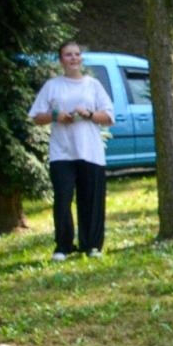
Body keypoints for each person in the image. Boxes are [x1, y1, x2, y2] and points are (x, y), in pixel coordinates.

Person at [29, 40, 115, 260]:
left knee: (92, 199)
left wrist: (88, 114)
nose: (73, 58)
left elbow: (108, 117)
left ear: (81, 59)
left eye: (77, 54)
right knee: (63, 198)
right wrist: (56, 116)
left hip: (90, 151)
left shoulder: (93, 85)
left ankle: (92, 245)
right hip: (62, 152)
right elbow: (37, 117)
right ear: (61, 60)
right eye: (68, 55)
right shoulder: (52, 86)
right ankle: (63, 246)